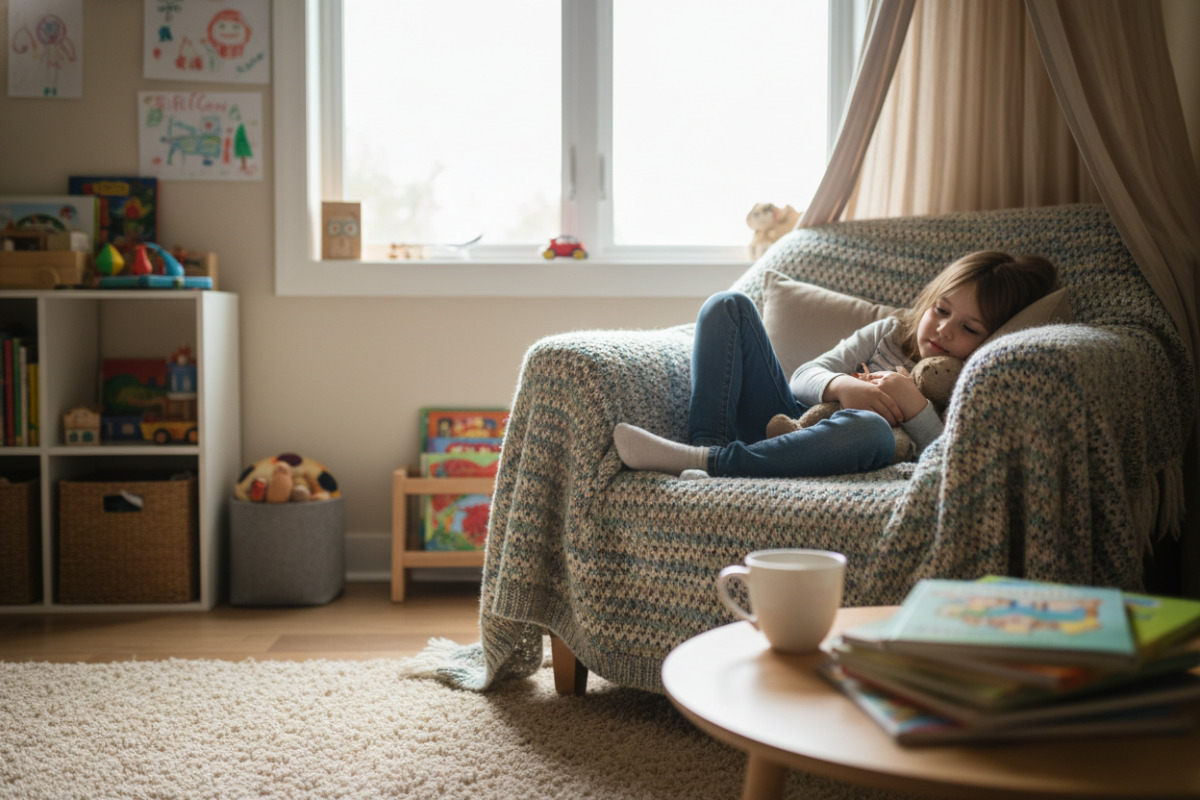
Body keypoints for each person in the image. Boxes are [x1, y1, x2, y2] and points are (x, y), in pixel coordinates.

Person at [613, 250, 1058, 479]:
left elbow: (948, 460)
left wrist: (916, 407)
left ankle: (718, 465)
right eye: (940, 310)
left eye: (969, 328)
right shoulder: (888, 333)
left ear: (990, 340)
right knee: (727, 305)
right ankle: (703, 452)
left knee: (871, 429)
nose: (943, 330)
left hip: (846, 447)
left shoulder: (975, 380)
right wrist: (845, 387)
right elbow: (802, 377)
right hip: (785, 421)